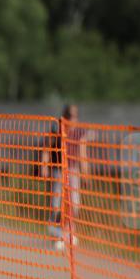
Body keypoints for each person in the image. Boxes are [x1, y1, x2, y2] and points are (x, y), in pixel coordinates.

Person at [41, 104, 87, 250]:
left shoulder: (80, 132)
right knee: (57, 203)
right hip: (58, 170)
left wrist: (85, 172)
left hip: (73, 171)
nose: (73, 119)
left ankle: (68, 232)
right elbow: (48, 147)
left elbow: (82, 152)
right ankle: (57, 232)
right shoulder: (57, 128)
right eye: (70, 116)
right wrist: (44, 164)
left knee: (74, 204)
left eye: (75, 116)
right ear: (65, 116)